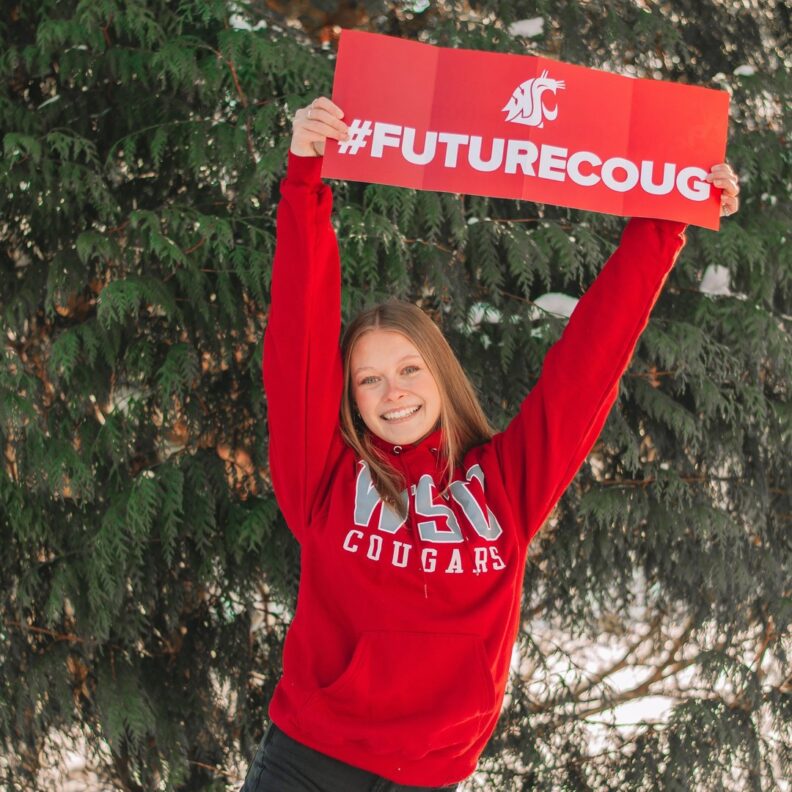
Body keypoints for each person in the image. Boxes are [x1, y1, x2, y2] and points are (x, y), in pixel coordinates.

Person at [240, 96, 740, 792]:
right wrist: (304, 182)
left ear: (442, 377)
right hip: (309, 763)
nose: (394, 392)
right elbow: (297, 337)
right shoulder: (322, 478)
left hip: (431, 777)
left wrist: (663, 228)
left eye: (410, 369)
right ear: (347, 397)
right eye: (370, 380)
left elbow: (586, 370)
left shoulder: (506, 483)